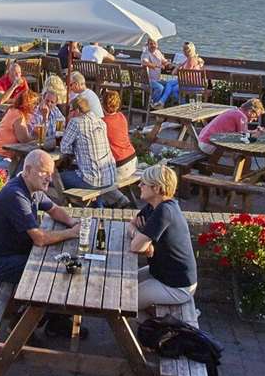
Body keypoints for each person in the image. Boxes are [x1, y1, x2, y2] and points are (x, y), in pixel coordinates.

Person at [0, 149, 78, 285]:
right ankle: (30, 305)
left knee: (62, 261)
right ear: (27, 170)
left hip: (18, 252)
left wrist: (73, 222)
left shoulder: (32, 187)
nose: (49, 179)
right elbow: (40, 239)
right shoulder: (16, 195)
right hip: (0, 261)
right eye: (44, 172)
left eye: (50, 174)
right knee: (53, 271)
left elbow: (54, 209)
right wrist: (71, 233)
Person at [128, 163, 198, 312]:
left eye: (144, 183)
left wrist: (142, 238)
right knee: (124, 283)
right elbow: (131, 224)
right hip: (160, 273)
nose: (139, 185)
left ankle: (143, 332)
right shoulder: (153, 206)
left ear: (157, 188)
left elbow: (136, 247)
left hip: (178, 286)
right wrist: (141, 236)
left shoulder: (164, 211)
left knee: (126, 300)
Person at [57, 95, 117, 192]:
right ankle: (99, 205)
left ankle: (64, 203)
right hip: (109, 177)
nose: (69, 114)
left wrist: (76, 148)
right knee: (80, 170)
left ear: (76, 111)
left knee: (56, 178)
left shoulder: (76, 122)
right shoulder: (101, 122)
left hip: (92, 180)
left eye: (70, 111)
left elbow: (64, 148)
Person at [0, 90, 38, 173]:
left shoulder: (13, 110)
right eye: (34, 104)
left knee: (26, 165)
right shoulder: (18, 115)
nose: (36, 107)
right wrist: (36, 135)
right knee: (27, 170)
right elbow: (24, 139)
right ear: (27, 104)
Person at [195, 98, 263, 155]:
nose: (256, 119)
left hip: (203, 140)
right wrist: (256, 136)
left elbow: (242, 132)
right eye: (256, 115)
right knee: (243, 155)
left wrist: (254, 131)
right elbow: (243, 137)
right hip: (210, 144)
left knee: (236, 150)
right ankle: (238, 170)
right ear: (250, 111)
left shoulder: (235, 111)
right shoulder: (242, 117)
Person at [101, 91, 138, 180]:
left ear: (102, 104)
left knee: (99, 182)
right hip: (133, 159)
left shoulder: (102, 123)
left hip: (119, 164)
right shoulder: (121, 116)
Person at [141, 40, 178, 108]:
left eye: (154, 44)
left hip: (157, 80)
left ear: (157, 45)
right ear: (147, 45)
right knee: (160, 88)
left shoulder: (158, 52)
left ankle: (161, 104)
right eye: (151, 44)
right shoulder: (146, 53)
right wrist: (157, 66)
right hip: (147, 81)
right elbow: (145, 62)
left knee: (168, 85)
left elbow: (164, 61)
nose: (153, 45)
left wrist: (170, 65)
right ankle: (154, 105)